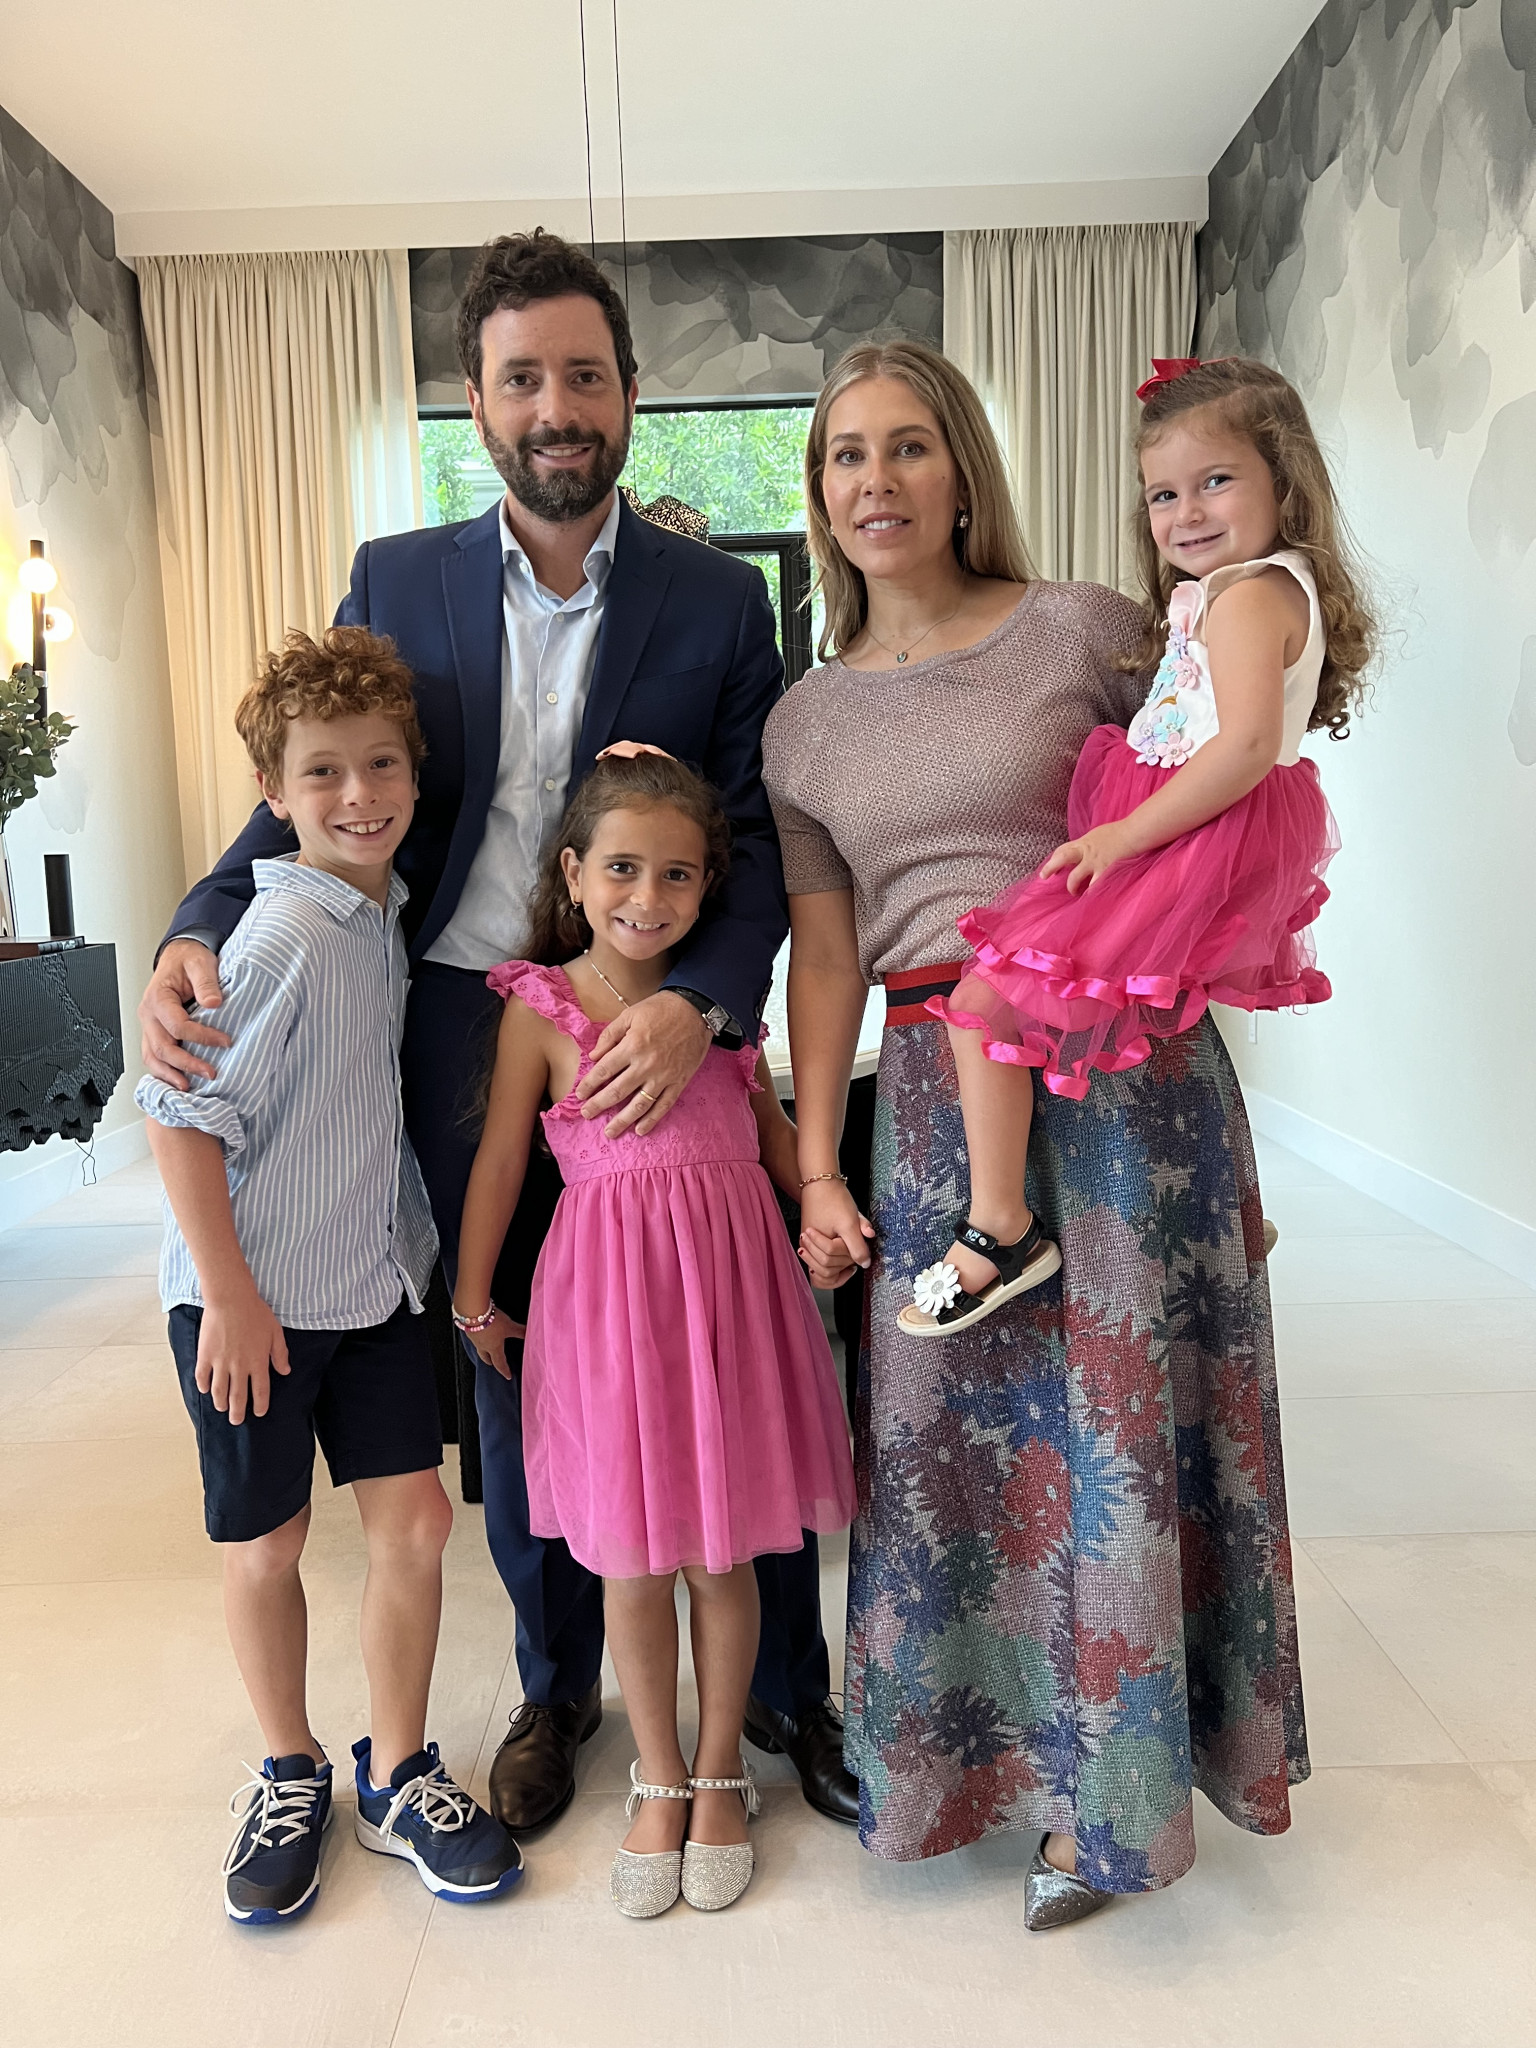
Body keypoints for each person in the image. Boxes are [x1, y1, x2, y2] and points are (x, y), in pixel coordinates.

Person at [137, 230, 857, 1836]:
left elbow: (756, 844)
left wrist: (694, 1007)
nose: (556, 406)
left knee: (721, 1352)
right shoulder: (398, 580)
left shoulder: (719, 601)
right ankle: (557, 1686)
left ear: (628, 394)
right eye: (522, 378)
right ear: (476, 402)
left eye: (584, 375)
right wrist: (194, 924)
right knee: (520, 1357)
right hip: (456, 1022)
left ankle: (786, 1692)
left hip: (642, 1016)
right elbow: (311, 778)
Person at [763, 339, 1311, 1929]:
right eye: (847, 454)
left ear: (964, 470)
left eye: (910, 445)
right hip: (942, 1108)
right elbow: (825, 957)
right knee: (953, 1454)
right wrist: (817, 1162)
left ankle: (1113, 1803)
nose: (877, 480)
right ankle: (966, 1772)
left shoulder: (1087, 626)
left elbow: (1223, 783)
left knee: (1127, 1446)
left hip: (1129, 1083)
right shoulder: (802, 725)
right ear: (819, 491)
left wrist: (1226, 1159)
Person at [136, 628, 523, 1924]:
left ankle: (398, 1769)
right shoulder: (282, 932)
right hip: (247, 1299)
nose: (359, 794)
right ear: (273, 793)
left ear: (414, 772)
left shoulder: (382, 909)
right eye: (322, 773)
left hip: (369, 1285)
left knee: (414, 1524)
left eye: (381, 764)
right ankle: (288, 1765)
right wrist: (232, 1296)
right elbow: (179, 1114)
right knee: (268, 1541)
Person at [454, 750, 856, 1916]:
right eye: (623, 868)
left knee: (721, 1555)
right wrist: (472, 1296)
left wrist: (822, 1203)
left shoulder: (717, 1012)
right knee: (629, 1559)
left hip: (727, 1302)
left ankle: (722, 1769)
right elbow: (500, 1161)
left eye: (678, 873)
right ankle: (660, 1773)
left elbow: (775, 1135)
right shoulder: (540, 1007)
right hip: (609, 1309)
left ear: (707, 885)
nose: (648, 895)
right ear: (575, 872)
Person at [906, 355, 1374, 1337]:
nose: (1186, 512)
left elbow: (1245, 745)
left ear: (1285, 484)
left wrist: (1121, 836)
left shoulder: (1249, 597)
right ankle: (1218, 1201)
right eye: (1164, 493)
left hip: (1191, 832)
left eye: (1217, 480)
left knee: (984, 1000)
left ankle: (1001, 1228)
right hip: (1188, 822)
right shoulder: (1231, 591)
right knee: (1142, 1028)